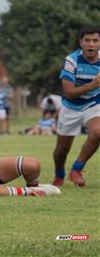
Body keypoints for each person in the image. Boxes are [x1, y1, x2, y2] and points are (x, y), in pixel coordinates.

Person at [52, 25, 100, 187]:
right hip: (70, 107)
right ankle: (59, 174)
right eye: (87, 40)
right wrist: (92, 85)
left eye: (95, 40)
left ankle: (76, 169)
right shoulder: (71, 61)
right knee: (61, 150)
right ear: (81, 42)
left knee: (98, 131)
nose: (91, 44)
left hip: (93, 104)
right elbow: (69, 93)